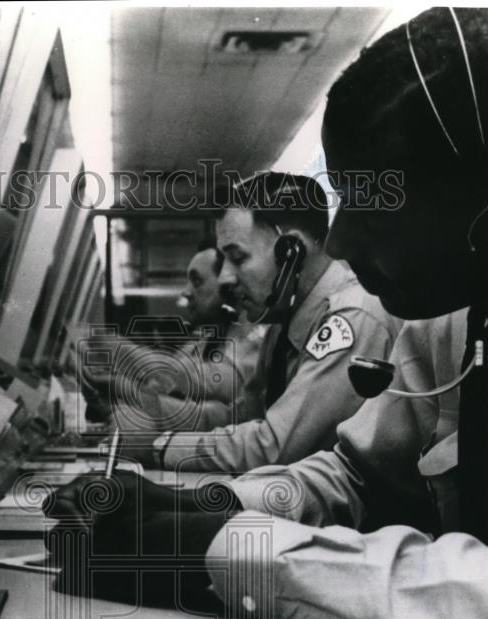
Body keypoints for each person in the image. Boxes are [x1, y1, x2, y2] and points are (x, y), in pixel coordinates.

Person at [44, 8, 488, 619]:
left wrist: (239, 549)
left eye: (371, 204)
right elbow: (361, 474)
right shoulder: (465, 292)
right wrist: (210, 506)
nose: (342, 240)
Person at [122, 172, 401, 474]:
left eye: (238, 258)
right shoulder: (282, 325)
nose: (225, 278)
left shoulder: (352, 319)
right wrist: (157, 422)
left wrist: (160, 447)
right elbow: (242, 418)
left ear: (291, 252)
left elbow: (277, 446)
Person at [80, 241, 266, 431]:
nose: (186, 292)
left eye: (197, 281)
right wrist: (110, 399)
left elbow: (205, 384)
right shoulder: (202, 342)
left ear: (226, 284)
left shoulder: (254, 340)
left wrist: (121, 350)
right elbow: (160, 393)